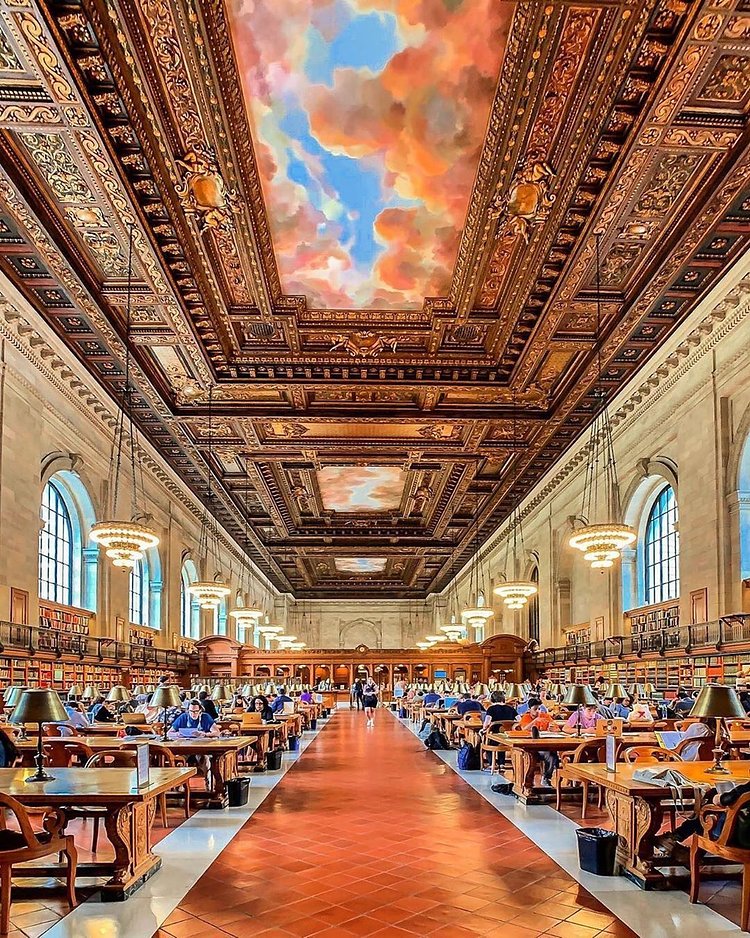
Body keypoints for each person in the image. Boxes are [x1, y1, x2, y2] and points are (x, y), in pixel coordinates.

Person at [519, 698, 558, 785]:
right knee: (549, 755)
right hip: (530, 747)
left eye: (539, 708)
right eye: (535, 709)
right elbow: (523, 730)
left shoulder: (545, 716)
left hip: (545, 744)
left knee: (553, 755)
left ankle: (546, 777)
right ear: (529, 710)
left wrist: (552, 729)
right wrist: (535, 721)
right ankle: (528, 781)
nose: (538, 711)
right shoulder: (526, 717)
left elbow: (556, 727)